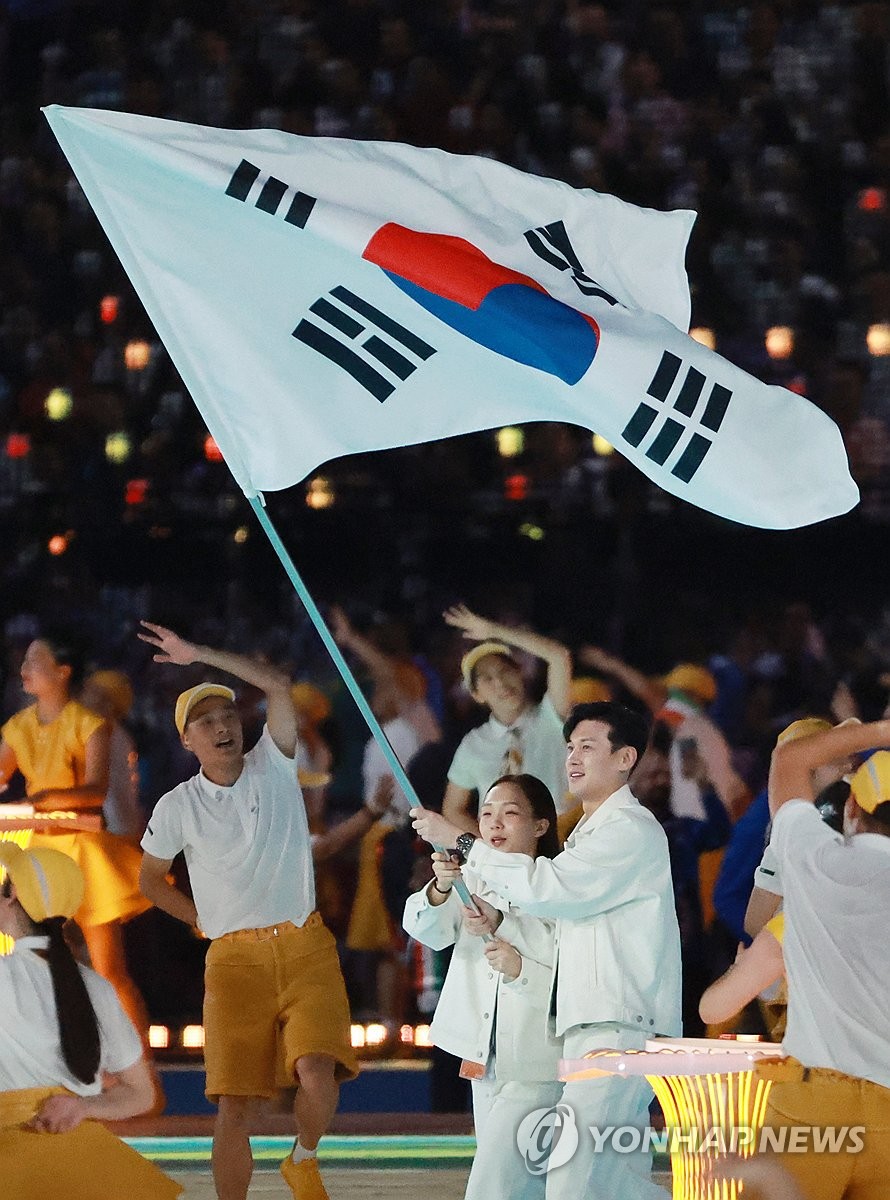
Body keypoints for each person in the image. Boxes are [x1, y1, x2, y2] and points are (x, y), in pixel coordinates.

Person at [412, 700, 681, 1200]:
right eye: (570, 747)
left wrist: (464, 842)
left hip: (619, 1026)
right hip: (588, 1025)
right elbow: (435, 923)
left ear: (625, 759)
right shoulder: (583, 839)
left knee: (575, 1184)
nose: (573, 758)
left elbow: (552, 889)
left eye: (588, 747)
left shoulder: (630, 831)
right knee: (603, 1183)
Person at [136, 621, 358, 1200]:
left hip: (305, 945)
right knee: (235, 1105)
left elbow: (280, 687)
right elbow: (149, 880)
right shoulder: (178, 805)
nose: (221, 725)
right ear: (187, 741)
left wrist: (197, 652)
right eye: (204, 721)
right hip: (234, 961)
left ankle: (302, 1159)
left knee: (318, 1070)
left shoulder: (275, 762)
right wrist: (197, 918)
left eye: (227, 714)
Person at [404, 773, 563, 1200]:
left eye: (510, 814)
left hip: (539, 1062)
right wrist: (439, 888)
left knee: (493, 1184)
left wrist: (512, 944)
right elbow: (426, 930)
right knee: (524, 1181)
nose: (494, 824)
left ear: (541, 826)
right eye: (487, 814)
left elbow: (565, 960)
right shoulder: (470, 881)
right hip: (482, 1057)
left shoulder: (556, 884)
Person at [754, 718, 890, 1198]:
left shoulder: (812, 857)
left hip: (815, 1101)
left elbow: (788, 761)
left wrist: (880, 731)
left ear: (852, 806)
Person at [0, 842, 180, 1200]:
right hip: (85, 1165)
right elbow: (142, 1095)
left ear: (13, 897)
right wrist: (82, 1106)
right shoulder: (96, 986)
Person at [0, 634, 151, 1036]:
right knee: (33, 960)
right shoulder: (18, 726)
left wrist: (43, 799)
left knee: (107, 967)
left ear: (62, 672)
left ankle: (139, 1065)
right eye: (25, 661)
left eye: (35, 661)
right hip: (38, 853)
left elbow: (95, 790)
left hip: (83, 852)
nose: (25, 669)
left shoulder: (90, 726)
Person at [442, 605, 572, 831]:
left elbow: (559, 656)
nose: (500, 683)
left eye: (504, 671)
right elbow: (452, 808)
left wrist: (493, 630)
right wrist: (486, 850)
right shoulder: (474, 743)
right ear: (477, 695)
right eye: (488, 679)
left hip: (557, 840)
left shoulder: (551, 717)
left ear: (520, 671)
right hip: (502, 853)